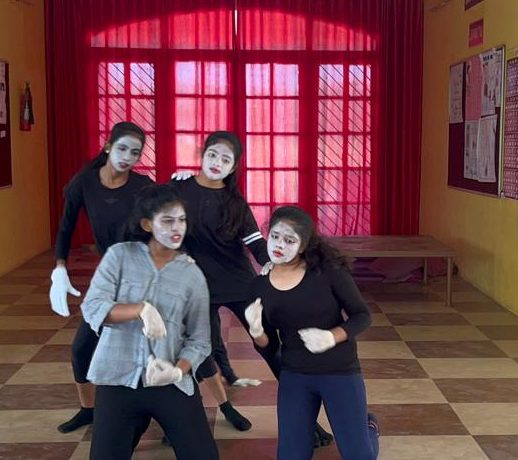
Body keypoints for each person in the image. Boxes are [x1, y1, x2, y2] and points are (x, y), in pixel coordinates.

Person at [81, 184, 218, 460]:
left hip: (169, 382)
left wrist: (177, 372)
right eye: (167, 221)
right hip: (117, 379)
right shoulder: (120, 256)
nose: (176, 228)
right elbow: (92, 307)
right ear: (147, 224)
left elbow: (200, 340)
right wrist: (140, 309)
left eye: (181, 220)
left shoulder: (192, 275)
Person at [245, 206, 380, 460]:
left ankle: (369, 427)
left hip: (339, 370)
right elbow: (270, 347)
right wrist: (257, 332)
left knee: (358, 455)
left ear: (303, 246)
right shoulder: (259, 286)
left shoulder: (328, 272)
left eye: (289, 241)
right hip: (295, 374)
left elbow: (362, 316)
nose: (279, 245)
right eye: (275, 236)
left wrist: (332, 336)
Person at [49, 122, 153, 433]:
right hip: (109, 277)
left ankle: (165, 414)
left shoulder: (143, 186)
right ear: (108, 146)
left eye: (134, 153)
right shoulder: (85, 183)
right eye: (122, 149)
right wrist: (59, 267)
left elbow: (167, 215)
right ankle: (88, 409)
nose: (127, 157)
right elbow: (66, 226)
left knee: (151, 348)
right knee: (82, 348)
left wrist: (183, 183)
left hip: (143, 274)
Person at [168, 131, 274, 432]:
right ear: (202, 155)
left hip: (239, 282)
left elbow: (255, 243)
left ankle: (306, 413)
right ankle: (226, 406)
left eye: (226, 159)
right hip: (197, 285)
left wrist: (272, 262)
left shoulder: (234, 202)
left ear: (233, 167)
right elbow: (152, 211)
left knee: (269, 342)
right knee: (200, 348)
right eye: (212, 154)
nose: (217, 162)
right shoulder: (179, 189)